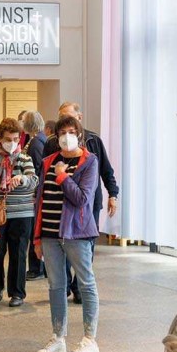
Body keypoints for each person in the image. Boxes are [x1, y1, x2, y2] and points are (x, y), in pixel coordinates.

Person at [33, 115, 101, 352]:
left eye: (72, 131)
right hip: (50, 234)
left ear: (79, 135)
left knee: (86, 283)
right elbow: (40, 200)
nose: (66, 136)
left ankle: (89, 340)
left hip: (78, 233)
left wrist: (63, 177)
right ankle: (58, 337)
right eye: (62, 132)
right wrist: (37, 236)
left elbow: (83, 199)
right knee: (56, 286)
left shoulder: (89, 162)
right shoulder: (48, 161)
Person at [44, 102, 120, 303]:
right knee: (62, 244)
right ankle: (66, 284)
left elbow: (106, 170)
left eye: (69, 117)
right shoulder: (52, 143)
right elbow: (44, 173)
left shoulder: (93, 140)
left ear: (79, 118)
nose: (65, 125)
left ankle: (79, 287)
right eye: (61, 119)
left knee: (85, 246)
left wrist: (113, 194)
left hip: (88, 203)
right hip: (60, 204)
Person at [0, 118, 38, 307]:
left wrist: (21, 179)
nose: (11, 143)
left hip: (21, 213)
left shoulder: (24, 158)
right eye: (7, 139)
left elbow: (33, 180)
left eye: (14, 138)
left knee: (19, 253)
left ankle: (17, 293)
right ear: (0, 138)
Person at [22, 111, 48, 280]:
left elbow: (38, 169)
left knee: (34, 232)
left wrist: (34, 192)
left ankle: (36, 268)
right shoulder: (39, 139)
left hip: (35, 193)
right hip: (36, 192)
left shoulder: (36, 142)